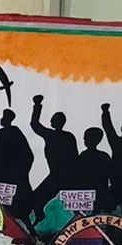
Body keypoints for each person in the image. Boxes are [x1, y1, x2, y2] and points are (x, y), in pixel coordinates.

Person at [27, 96, 78, 226]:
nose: (51, 121)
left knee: (37, 198)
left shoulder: (57, 135)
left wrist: (37, 104)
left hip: (61, 175)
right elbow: (35, 125)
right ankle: (39, 213)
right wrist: (37, 105)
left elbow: (35, 124)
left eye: (54, 119)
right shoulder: (61, 136)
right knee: (36, 199)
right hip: (59, 175)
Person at [0, 107, 34, 217]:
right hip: (2, 173)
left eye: (4, 117)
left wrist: (21, 169)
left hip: (13, 172)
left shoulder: (14, 133)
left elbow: (26, 153)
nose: (1, 119)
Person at [70, 126, 112, 211]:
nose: (84, 140)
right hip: (93, 191)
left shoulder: (85, 156)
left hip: (92, 190)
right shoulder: (103, 156)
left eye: (86, 138)